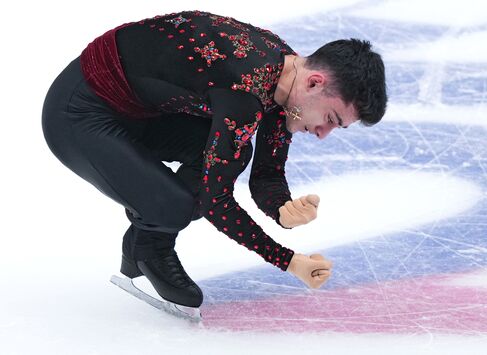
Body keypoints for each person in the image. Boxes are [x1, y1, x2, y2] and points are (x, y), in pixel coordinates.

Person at [41, 10, 387, 310]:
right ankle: (150, 245)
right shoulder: (245, 88)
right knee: (177, 204)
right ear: (315, 83)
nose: (323, 133)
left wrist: (281, 207)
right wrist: (288, 260)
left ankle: (146, 244)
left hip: (142, 112)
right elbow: (216, 201)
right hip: (78, 112)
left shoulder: (287, 78)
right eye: (332, 119)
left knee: (236, 152)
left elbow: (266, 173)